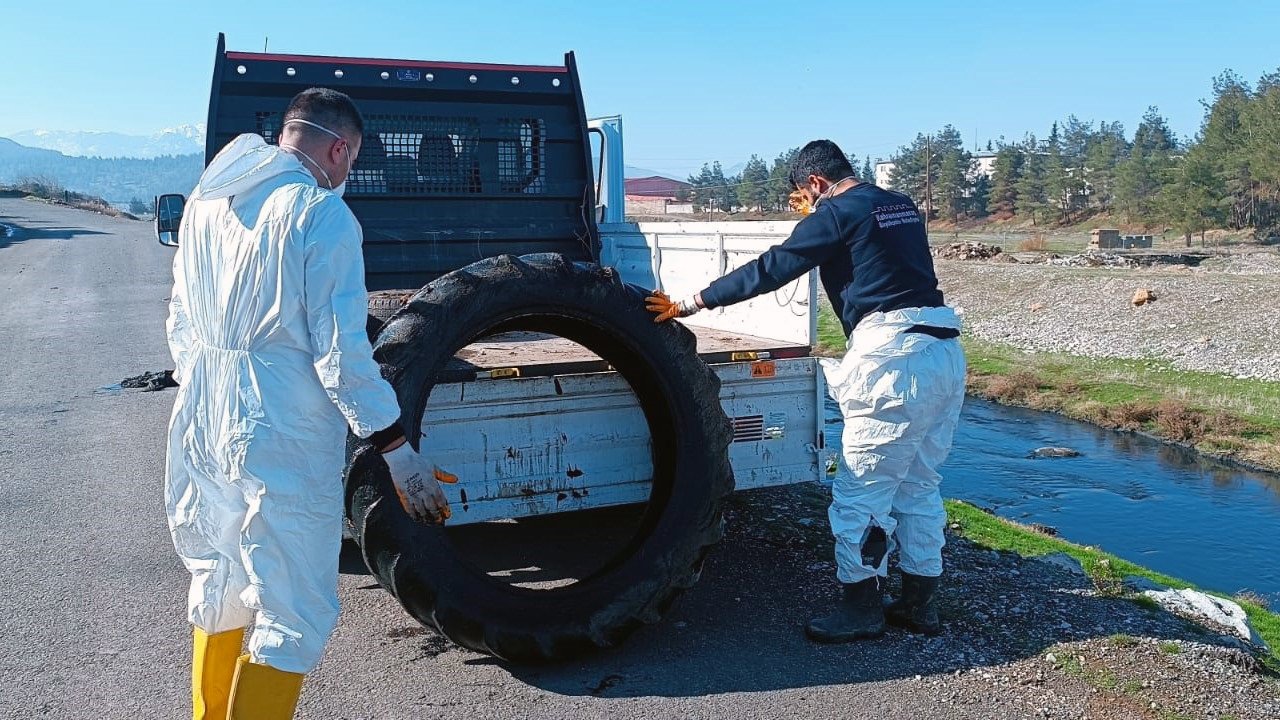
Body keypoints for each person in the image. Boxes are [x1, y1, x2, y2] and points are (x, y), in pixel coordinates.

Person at [166, 88, 452, 719]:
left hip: (204, 418)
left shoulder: (208, 205)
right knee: (292, 604)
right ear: (339, 147)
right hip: (280, 429)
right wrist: (396, 448)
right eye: (350, 162)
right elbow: (340, 352)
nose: (346, 175)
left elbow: (181, 322)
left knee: (220, 579)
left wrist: (206, 391)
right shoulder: (320, 214)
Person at [646, 139, 966, 643]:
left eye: (804, 194)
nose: (804, 204)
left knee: (861, 492)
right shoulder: (899, 204)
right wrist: (823, 212)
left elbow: (773, 268)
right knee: (919, 484)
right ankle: (919, 603)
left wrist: (690, 303)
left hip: (892, 361)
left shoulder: (835, 212)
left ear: (815, 183)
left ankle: (862, 608)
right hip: (944, 352)